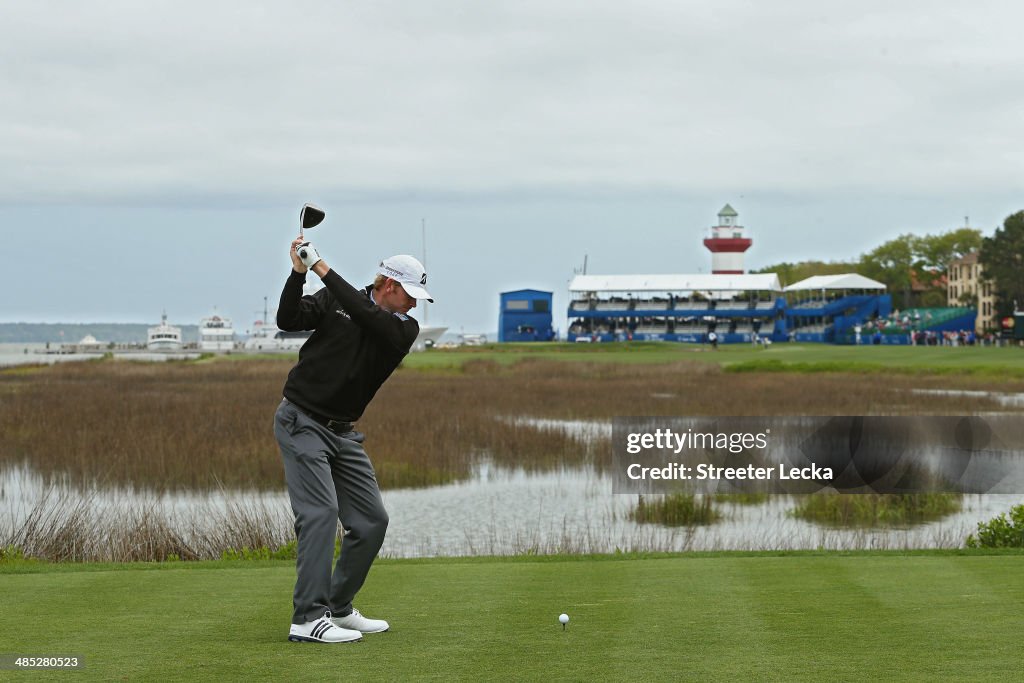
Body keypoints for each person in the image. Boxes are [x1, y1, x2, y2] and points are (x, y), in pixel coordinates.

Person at [273, 235, 433, 643]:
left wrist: (322, 267)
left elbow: (367, 315)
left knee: (371, 521)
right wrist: (298, 273)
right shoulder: (335, 301)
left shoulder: (403, 328)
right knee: (321, 515)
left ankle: (337, 608)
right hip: (302, 421)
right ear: (391, 286)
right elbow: (288, 319)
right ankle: (307, 618)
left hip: (343, 433)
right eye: (410, 295)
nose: (415, 304)